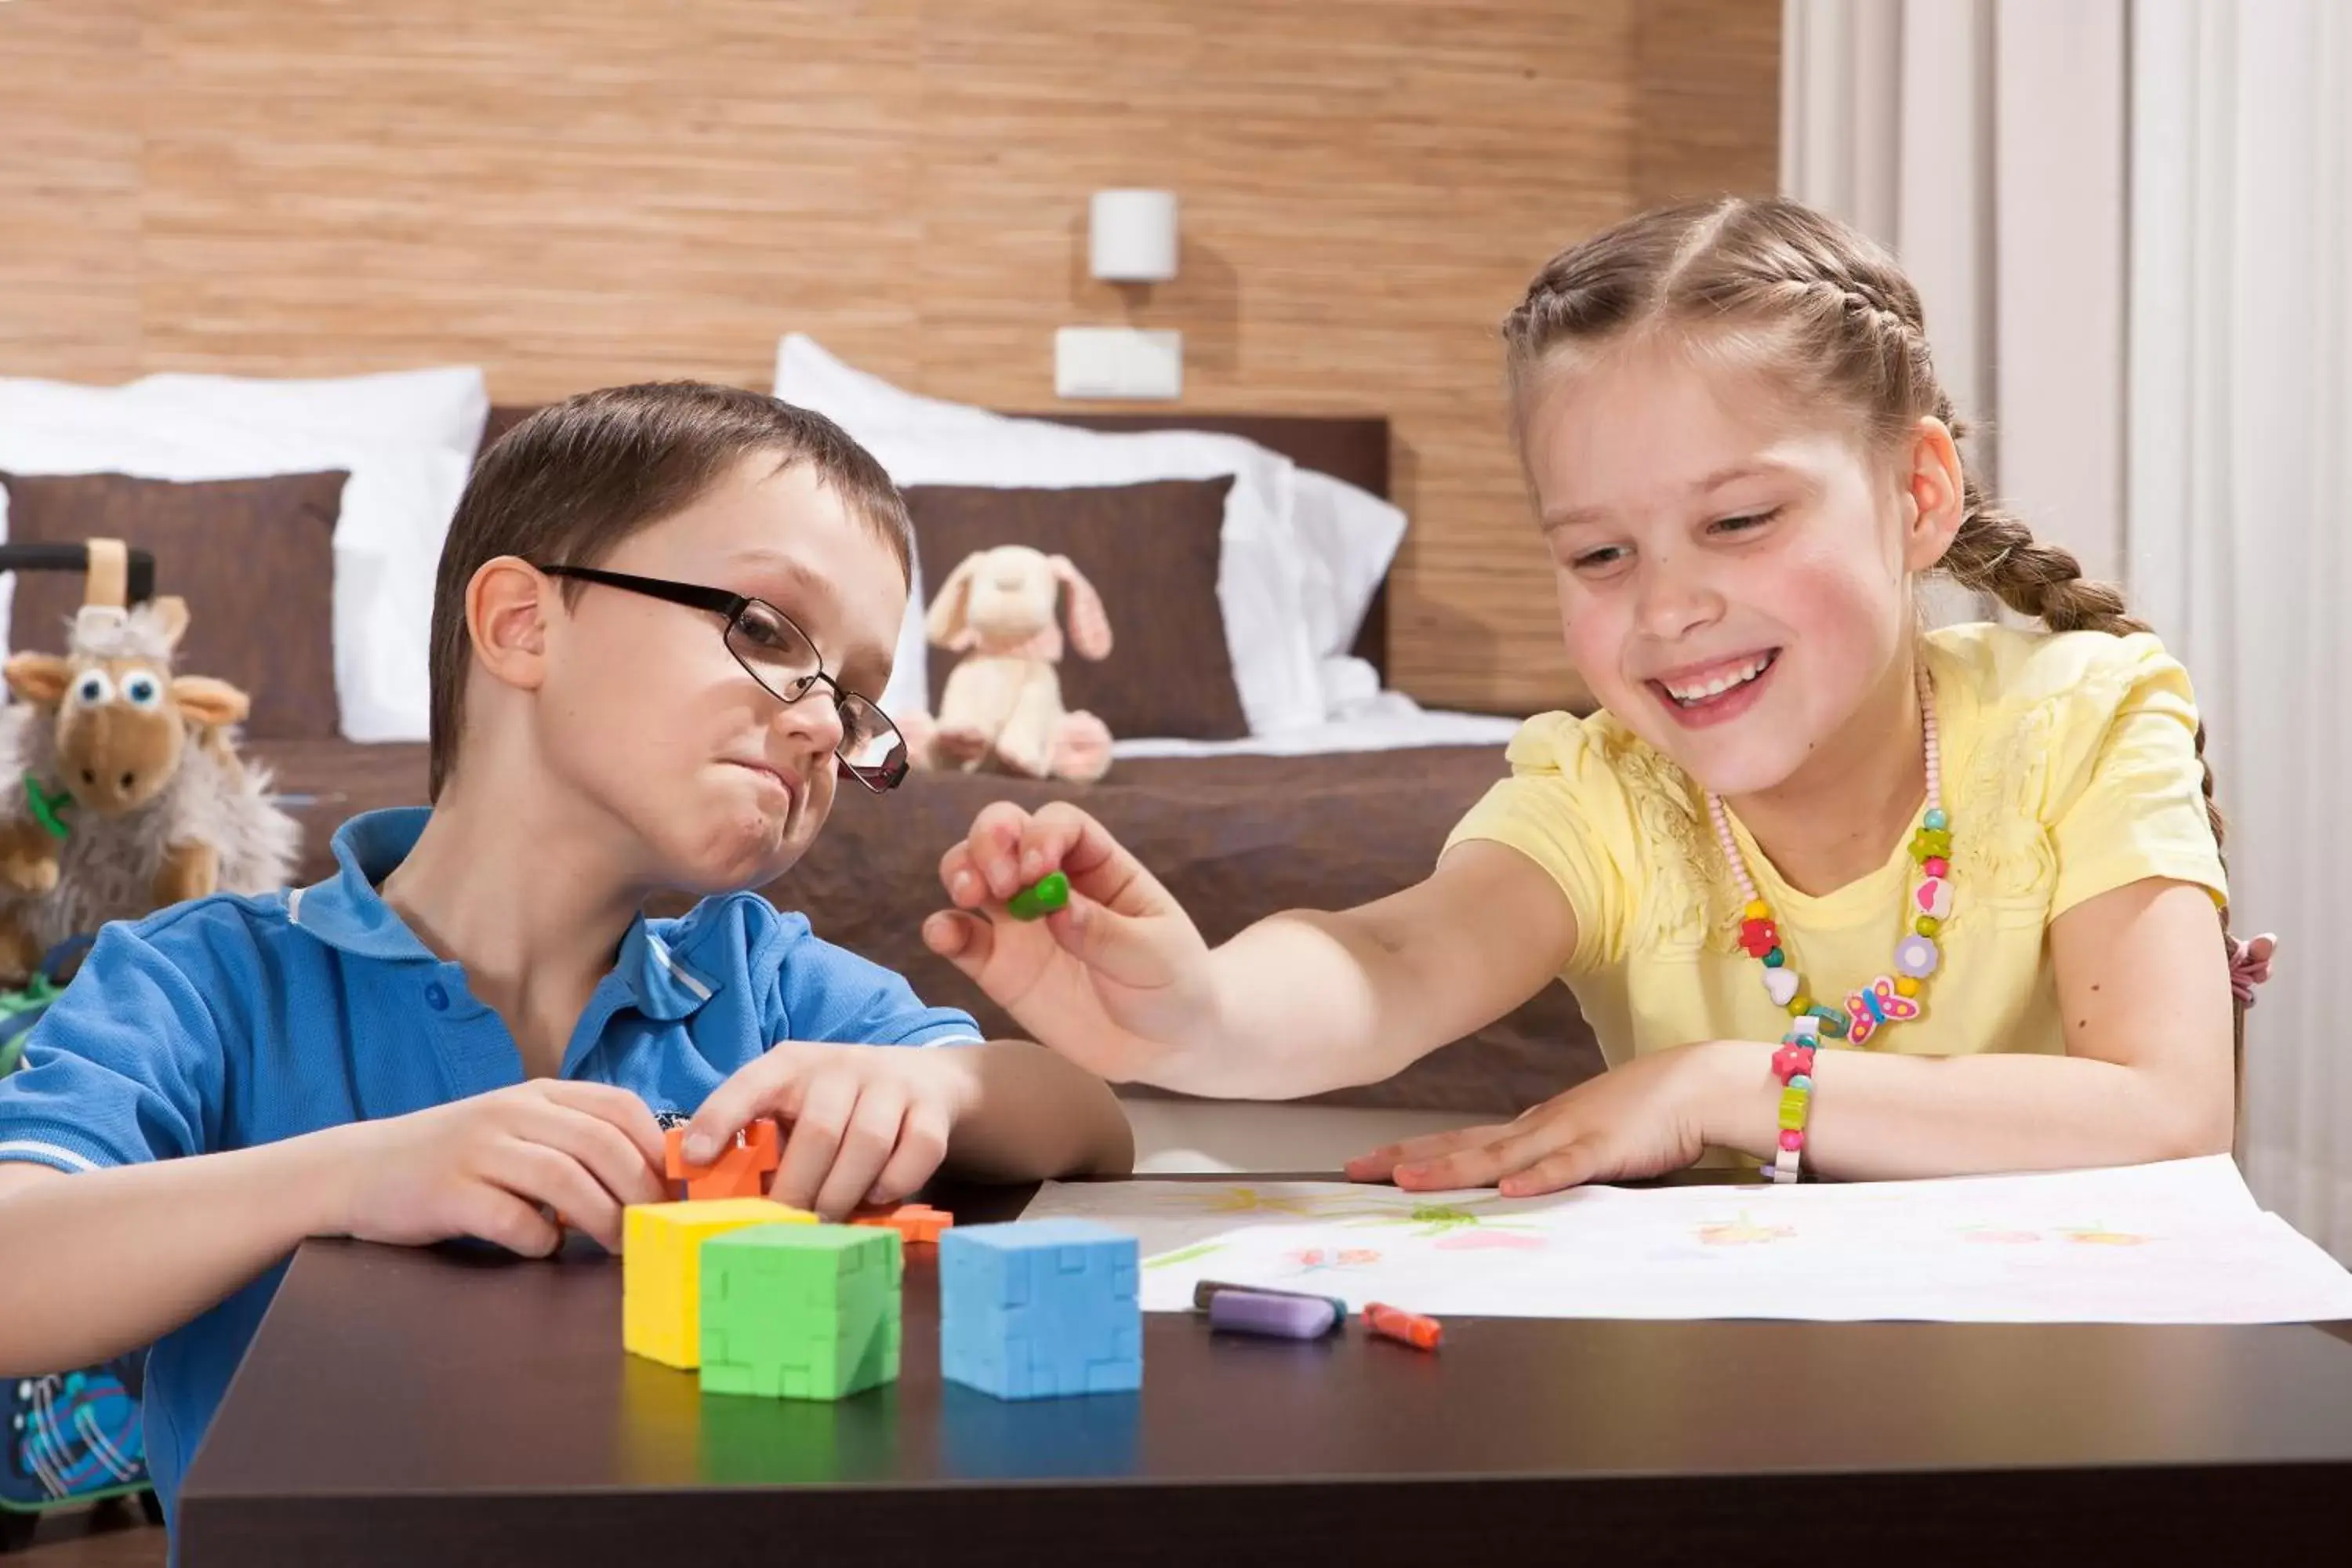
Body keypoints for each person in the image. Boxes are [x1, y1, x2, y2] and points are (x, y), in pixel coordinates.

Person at [925, 195, 2271, 1200]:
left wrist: (1726, 1085)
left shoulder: (2085, 715)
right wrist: (1201, 1014)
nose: (1667, 607)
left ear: (1918, 496)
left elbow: (2165, 1107)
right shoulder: (1608, 791)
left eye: (1739, 519)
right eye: (1599, 555)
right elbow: (1395, 958)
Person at [0, 383, 1132, 1526]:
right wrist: (350, 1176)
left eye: (858, 698)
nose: (822, 725)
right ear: (520, 625)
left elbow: (1088, 1122)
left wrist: (934, 1083)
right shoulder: (202, 980)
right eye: (766, 630)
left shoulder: (763, 980)